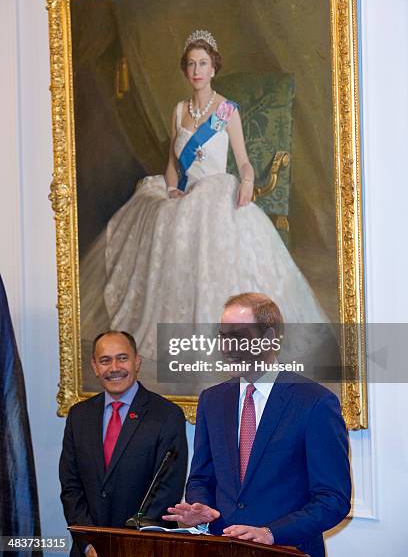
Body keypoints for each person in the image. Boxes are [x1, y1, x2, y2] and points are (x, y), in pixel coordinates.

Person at [100, 29, 327, 362]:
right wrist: (171, 188)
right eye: (191, 64)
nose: (197, 71)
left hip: (216, 193)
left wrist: (247, 181)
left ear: (213, 68)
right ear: (185, 69)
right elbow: (172, 166)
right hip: (185, 195)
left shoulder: (227, 111)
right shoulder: (179, 111)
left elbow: (244, 162)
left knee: (202, 221)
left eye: (203, 63)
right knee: (161, 217)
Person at [163, 293, 351, 557]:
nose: (227, 347)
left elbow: (333, 499)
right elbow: (201, 478)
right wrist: (202, 509)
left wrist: (271, 533)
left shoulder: (315, 402)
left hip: (288, 550)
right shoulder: (212, 400)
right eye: (223, 336)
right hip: (221, 548)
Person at [59, 330, 188, 557]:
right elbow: (71, 487)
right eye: (105, 360)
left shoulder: (167, 415)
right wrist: (89, 541)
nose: (114, 368)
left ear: (137, 361)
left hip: (144, 548)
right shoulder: (79, 416)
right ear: (95, 366)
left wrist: (128, 545)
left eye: (122, 358)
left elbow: (167, 490)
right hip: (89, 550)